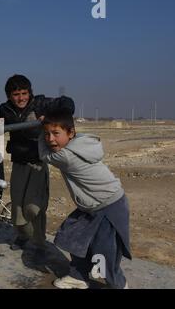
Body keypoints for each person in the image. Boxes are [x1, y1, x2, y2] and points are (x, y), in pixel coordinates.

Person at [38, 112, 131, 289]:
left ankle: (119, 285)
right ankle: (78, 276)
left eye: (56, 133)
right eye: (46, 134)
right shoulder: (81, 143)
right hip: (93, 206)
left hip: (109, 206)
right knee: (72, 236)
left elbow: (44, 155)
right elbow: (61, 138)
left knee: (104, 254)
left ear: (70, 133)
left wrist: (38, 130)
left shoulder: (66, 156)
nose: (50, 139)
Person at [0, 74, 75, 251]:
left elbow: (68, 103)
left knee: (33, 208)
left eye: (24, 93)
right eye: (16, 94)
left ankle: (39, 242)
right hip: (18, 163)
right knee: (17, 207)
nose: (21, 98)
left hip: (38, 163)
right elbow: (0, 128)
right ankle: (23, 236)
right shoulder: (4, 109)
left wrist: (48, 116)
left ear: (30, 93)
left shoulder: (40, 103)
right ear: (9, 96)